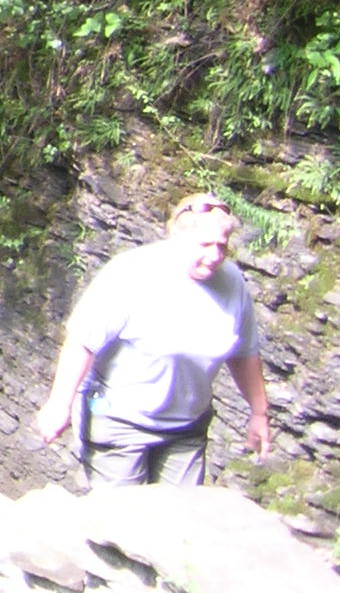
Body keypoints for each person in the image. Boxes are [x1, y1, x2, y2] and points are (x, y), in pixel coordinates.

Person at [32, 194, 273, 486]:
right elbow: (82, 340)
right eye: (204, 245)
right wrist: (59, 404)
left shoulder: (232, 282)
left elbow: (244, 352)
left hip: (186, 427)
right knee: (123, 523)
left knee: (178, 522)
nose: (214, 256)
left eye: (221, 246)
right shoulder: (131, 273)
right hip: (118, 421)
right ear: (175, 236)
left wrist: (259, 412)